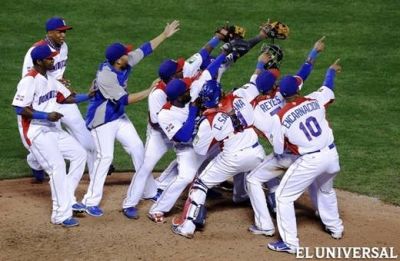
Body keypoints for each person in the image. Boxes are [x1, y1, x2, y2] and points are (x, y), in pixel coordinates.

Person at [122, 28, 229, 219]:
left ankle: (193, 185)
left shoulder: (182, 77)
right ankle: (129, 203)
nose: (183, 69)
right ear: (172, 77)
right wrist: (186, 116)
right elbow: (157, 122)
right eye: (179, 70)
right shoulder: (157, 95)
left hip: (180, 126)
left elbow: (202, 54)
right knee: (146, 165)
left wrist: (218, 40)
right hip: (160, 134)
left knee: (193, 155)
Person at [81, 20, 180, 217]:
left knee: (137, 149)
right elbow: (126, 99)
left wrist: (164, 34)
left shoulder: (123, 63)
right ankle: (89, 201)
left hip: (118, 116)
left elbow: (145, 49)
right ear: (119, 60)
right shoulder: (106, 77)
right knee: (105, 157)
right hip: (102, 121)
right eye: (125, 53)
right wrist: (150, 89)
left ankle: (150, 191)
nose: (129, 53)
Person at [246, 37, 326, 236]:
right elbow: (303, 73)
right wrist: (314, 51)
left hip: (283, 155)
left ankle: (265, 224)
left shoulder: (252, 109)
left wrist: (259, 65)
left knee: (253, 179)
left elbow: (251, 88)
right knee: (315, 179)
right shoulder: (283, 93)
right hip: (305, 152)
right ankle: (324, 216)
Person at [171, 77, 265, 239]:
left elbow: (200, 150)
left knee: (200, 184)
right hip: (257, 153)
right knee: (255, 179)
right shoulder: (240, 97)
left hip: (234, 157)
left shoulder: (208, 121)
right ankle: (265, 220)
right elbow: (256, 87)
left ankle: (187, 226)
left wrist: (209, 128)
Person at [267, 59, 344, 254]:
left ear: (282, 94)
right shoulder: (314, 100)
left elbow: (278, 149)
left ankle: (290, 243)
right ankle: (336, 228)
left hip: (311, 161)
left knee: (283, 197)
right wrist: (331, 71)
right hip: (332, 156)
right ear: (298, 89)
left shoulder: (280, 116)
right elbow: (327, 87)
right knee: (325, 191)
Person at [12, 45, 92, 227]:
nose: (53, 60)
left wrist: (89, 95)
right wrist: (46, 115)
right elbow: (19, 108)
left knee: (79, 154)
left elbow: (66, 98)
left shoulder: (50, 78)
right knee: (57, 167)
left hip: (52, 129)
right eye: (49, 58)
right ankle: (60, 215)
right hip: (35, 131)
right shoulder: (29, 80)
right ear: (39, 61)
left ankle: (67, 198)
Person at [22, 16, 96, 183]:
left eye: (65, 32)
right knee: (51, 142)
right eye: (60, 32)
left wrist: (61, 82)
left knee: (84, 133)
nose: (63, 35)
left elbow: (58, 72)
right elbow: (29, 79)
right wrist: (52, 83)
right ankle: (35, 162)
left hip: (62, 97)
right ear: (49, 32)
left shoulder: (64, 48)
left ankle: (95, 178)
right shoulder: (35, 52)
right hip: (46, 102)